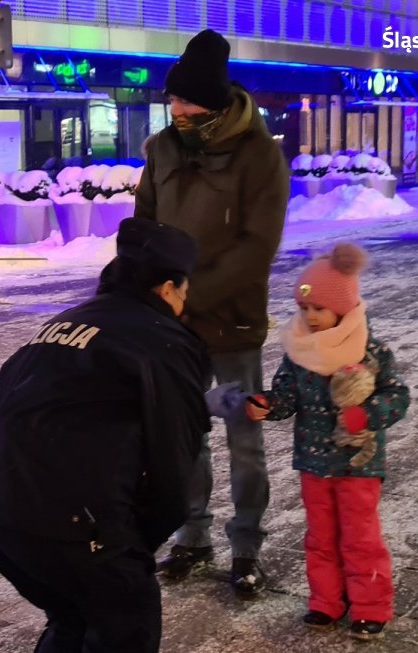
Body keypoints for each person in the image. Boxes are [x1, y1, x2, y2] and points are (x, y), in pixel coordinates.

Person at [0, 218, 211, 653]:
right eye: (184, 293)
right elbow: (175, 466)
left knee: (74, 617)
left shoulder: (69, 321)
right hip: (75, 524)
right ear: (168, 288)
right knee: (126, 623)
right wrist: (133, 545)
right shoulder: (164, 342)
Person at [134, 28, 289, 597]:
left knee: (243, 439)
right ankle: (192, 537)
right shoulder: (165, 147)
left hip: (234, 321)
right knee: (183, 437)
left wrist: (190, 295)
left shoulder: (258, 153)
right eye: (170, 100)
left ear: (211, 100)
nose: (173, 108)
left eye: (182, 99)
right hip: (173, 324)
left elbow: (257, 245)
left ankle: (246, 546)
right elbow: (142, 223)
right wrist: (142, 285)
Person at [209, 243, 409, 641]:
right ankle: (326, 600)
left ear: (343, 307)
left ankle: (370, 606)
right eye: (304, 309)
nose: (310, 317)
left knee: (360, 537)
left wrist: (365, 414)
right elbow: (287, 396)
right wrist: (267, 404)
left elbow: (397, 396)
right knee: (320, 536)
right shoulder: (298, 353)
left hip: (358, 464)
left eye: (319, 308)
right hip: (313, 464)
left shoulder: (371, 351)